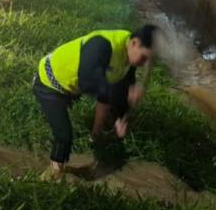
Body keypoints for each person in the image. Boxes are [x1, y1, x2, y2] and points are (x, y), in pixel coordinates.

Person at [33, 25, 156, 180]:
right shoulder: (102, 45)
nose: (143, 64)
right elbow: (88, 82)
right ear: (134, 43)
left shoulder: (129, 58)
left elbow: (118, 88)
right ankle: (54, 173)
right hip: (49, 84)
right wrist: (121, 94)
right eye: (144, 58)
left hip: (72, 87)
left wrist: (120, 117)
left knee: (107, 90)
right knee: (64, 135)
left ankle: (96, 133)